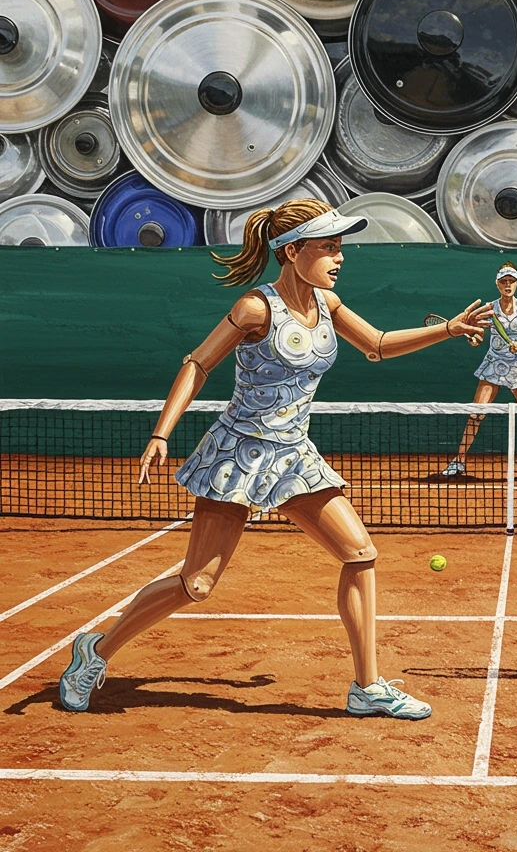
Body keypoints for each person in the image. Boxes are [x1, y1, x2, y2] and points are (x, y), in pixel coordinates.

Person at [59, 199, 491, 719]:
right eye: (328, 247)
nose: (339, 257)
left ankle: (367, 686)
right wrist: (160, 433)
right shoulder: (255, 309)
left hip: (294, 456)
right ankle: (95, 651)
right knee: (197, 585)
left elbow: (376, 344)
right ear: (291, 252)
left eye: (339, 247)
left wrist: (446, 328)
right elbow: (197, 363)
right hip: (238, 454)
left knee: (360, 554)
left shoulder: (328, 305)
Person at [442, 262, 517, 481]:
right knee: (475, 415)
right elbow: (478, 336)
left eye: (511, 281)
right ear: (497, 284)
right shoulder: (489, 308)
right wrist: (474, 340)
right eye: (503, 281)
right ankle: (458, 462)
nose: (507, 285)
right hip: (494, 363)